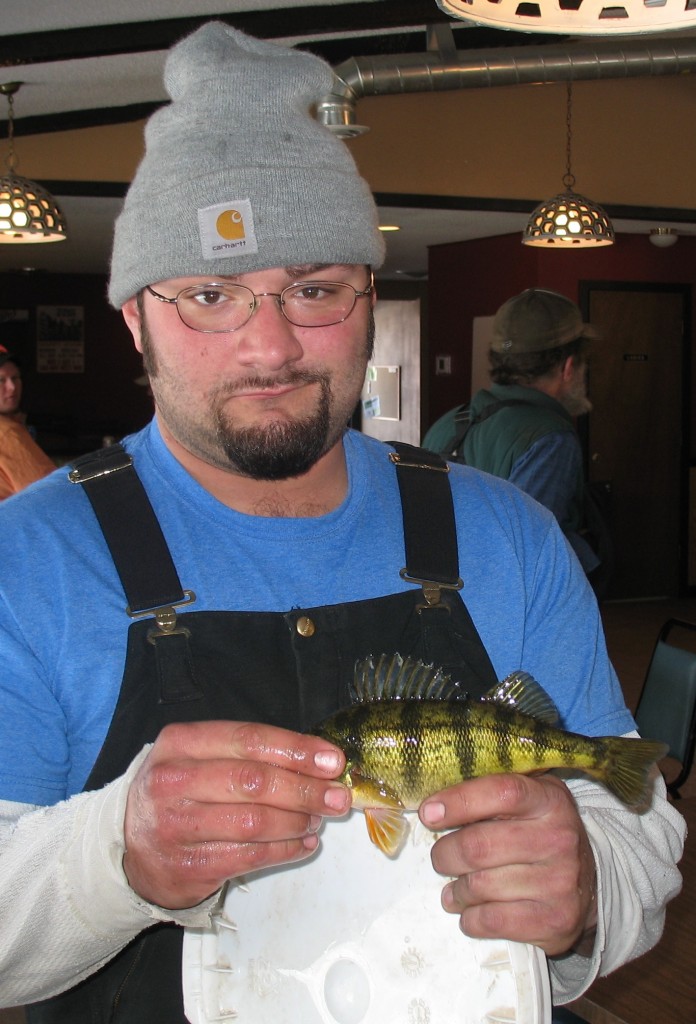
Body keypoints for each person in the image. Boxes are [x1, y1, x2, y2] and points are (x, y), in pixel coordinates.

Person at [0, 22, 684, 1024]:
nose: (271, 346)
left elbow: (638, 833)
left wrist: (589, 890)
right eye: (210, 295)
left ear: (369, 296)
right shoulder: (27, 562)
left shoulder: (510, 537)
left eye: (315, 288)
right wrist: (114, 856)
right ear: (135, 317)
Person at [423, 289, 607, 585]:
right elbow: (528, 546)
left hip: (446, 604)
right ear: (569, 366)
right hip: (519, 613)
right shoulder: (551, 438)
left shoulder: (447, 424)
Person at [0, 345, 54, 500]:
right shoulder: (7, 433)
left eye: (15, 378)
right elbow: (48, 493)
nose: (12, 387)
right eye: (1, 380)